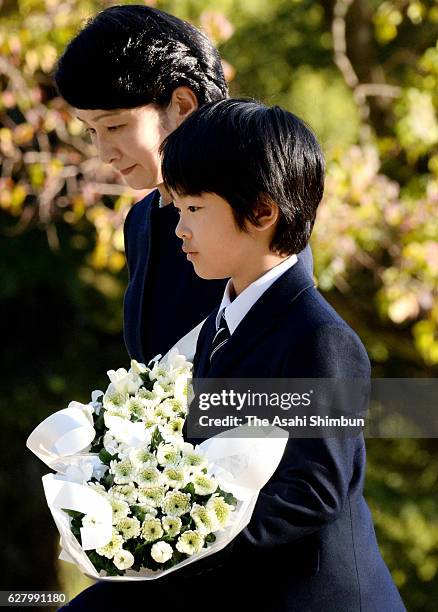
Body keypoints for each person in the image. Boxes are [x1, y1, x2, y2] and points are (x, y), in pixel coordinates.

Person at [156, 98, 407, 611]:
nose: (180, 228)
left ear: (262, 211)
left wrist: (184, 546)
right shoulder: (217, 325)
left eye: (195, 209)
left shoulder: (319, 338)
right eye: (178, 209)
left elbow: (311, 491)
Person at [53, 4, 314, 367]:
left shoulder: (257, 216)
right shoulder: (141, 220)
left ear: (182, 104)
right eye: (91, 131)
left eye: (114, 127)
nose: (104, 154)